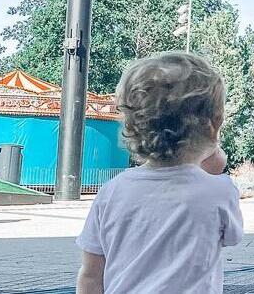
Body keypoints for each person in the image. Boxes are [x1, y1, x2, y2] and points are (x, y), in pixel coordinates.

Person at [76, 52, 243, 294]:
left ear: (132, 125)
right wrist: (212, 173)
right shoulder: (220, 190)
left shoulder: (112, 191)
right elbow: (232, 237)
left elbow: (91, 275)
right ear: (214, 124)